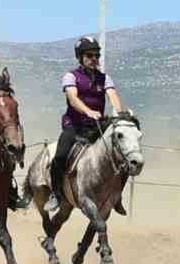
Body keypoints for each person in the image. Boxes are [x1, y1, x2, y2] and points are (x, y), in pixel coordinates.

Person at [43, 35, 127, 218]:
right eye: (89, 55)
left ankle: (117, 196)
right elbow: (73, 98)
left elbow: (113, 96)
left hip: (97, 127)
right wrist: (88, 111)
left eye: (96, 55)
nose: (94, 59)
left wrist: (119, 114)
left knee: (124, 156)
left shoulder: (104, 79)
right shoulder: (71, 76)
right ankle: (56, 194)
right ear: (80, 57)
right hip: (74, 125)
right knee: (60, 155)